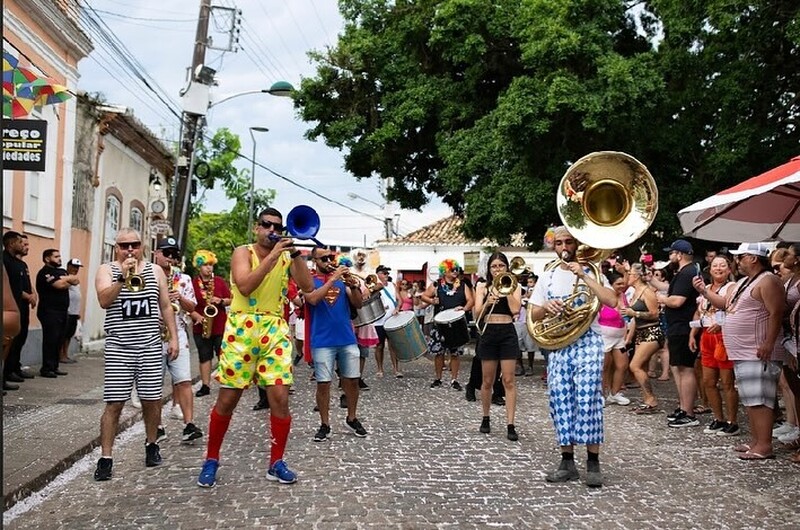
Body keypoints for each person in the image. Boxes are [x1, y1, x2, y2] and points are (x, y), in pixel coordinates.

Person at [197, 208, 313, 488]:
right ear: (256, 228)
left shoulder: (286, 255)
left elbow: (308, 286)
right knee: (228, 399)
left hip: (274, 328)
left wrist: (295, 254)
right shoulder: (242, 252)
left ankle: (276, 462)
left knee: (280, 398)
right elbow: (246, 285)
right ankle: (211, 459)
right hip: (242, 329)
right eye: (267, 225)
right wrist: (274, 256)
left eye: (277, 226)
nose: (272, 230)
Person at [528, 226, 617, 488]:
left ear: (576, 244)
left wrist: (585, 277)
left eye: (569, 242)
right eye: (559, 243)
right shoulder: (548, 276)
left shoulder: (593, 271)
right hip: (559, 345)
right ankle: (567, 461)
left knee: (589, 397)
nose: (564, 246)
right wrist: (545, 308)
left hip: (588, 341)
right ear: (553, 246)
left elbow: (611, 300)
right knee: (560, 399)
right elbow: (533, 315)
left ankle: (593, 462)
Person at [94, 228, 178, 481]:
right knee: (114, 404)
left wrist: (173, 337)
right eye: (124, 246)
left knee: (152, 400)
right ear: (116, 248)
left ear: (142, 246)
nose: (130, 250)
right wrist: (122, 277)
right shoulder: (106, 270)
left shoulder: (155, 271)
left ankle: (152, 444)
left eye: (135, 245)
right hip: (119, 347)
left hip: (150, 345)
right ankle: (106, 457)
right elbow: (103, 301)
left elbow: (165, 305)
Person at [697, 242, 784, 459]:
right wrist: (703, 291)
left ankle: (764, 445)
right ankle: (756, 441)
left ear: (753, 258)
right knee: (750, 398)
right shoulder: (745, 282)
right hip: (743, 351)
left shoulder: (768, 280)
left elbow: (776, 313)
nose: (737, 261)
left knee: (760, 399)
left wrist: (768, 343)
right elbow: (725, 303)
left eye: (741, 256)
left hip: (757, 349)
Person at [306, 246, 368, 442]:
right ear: (314, 261)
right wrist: (333, 279)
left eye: (329, 257)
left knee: (352, 380)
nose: (328, 261)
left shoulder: (342, 280)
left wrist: (354, 285)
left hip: (347, 338)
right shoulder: (309, 280)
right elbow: (313, 299)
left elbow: (358, 304)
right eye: (323, 259)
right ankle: (324, 424)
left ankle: (352, 417)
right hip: (322, 340)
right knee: (323, 384)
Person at [153, 237, 203, 443]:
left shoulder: (183, 279)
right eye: (166, 253)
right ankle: (156, 426)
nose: (170, 258)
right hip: (154, 333)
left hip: (179, 332)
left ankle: (189, 424)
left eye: (174, 254)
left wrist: (179, 298)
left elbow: (192, 307)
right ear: (156, 253)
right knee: (154, 384)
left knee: (184, 380)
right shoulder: (148, 275)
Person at [473, 252, 523, 441]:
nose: (497, 270)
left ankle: (510, 423)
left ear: (507, 267)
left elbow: (516, 309)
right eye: (494, 266)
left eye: (501, 266)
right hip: (489, 331)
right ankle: (486, 417)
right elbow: (477, 314)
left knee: (509, 380)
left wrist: (506, 290)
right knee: (487, 380)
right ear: (489, 269)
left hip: (507, 332)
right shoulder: (482, 286)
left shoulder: (514, 284)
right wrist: (487, 301)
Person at [689, 255, 739, 436]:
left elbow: (728, 306)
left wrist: (723, 322)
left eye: (723, 266)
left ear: (729, 269)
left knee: (727, 382)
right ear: (709, 270)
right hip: (706, 336)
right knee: (708, 381)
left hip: (723, 337)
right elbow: (698, 312)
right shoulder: (706, 288)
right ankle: (718, 418)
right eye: (715, 266)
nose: (719, 268)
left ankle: (732, 421)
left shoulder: (731, 287)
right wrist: (692, 334)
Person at [656, 240, 701, 428]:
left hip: (683, 326)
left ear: (680, 255)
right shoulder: (686, 272)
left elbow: (677, 301)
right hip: (680, 326)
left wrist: (662, 299)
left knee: (685, 369)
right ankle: (684, 408)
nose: (670, 257)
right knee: (681, 368)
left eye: (671, 254)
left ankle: (689, 413)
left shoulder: (686, 272)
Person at [420, 259, 474, 390]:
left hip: (456, 323)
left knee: (455, 353)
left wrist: (464, 308)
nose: (455, 272)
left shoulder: (462, 285)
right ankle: (438, 378)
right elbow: (424, 296)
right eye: (452, 270)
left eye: (456, 269)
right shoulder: (437, 284)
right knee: (439, 353)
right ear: (445, 271)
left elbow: (471, 300)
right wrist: (432, 301)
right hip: (439, 323)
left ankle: (454, 380)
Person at [190, 249, 232, 398]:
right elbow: (188, 305)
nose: (209, 268)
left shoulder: (219, 282)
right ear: (199, 266)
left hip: (220, 325)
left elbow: (231, 299)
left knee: (223, 355)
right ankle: (205, 385)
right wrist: (195, 315)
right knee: (204, 356)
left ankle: (226, 383)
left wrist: (220, 301)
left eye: (211, 265)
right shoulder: (193, 283)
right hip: (200, 325)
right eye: (205, 265)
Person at [625, 263, 665, 414]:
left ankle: (651, 399)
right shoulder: (635, 291)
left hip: (652, 331)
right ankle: (647, 401)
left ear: (635, 276)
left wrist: (634, 313)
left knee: (634, 366)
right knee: (642, 367)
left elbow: (654, 314)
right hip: (641, 332)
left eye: (629, 274)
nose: (627, 276)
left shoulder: (646, 292)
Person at [35, 249, 79, 378]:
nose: (59, 258)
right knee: (51, 339)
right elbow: (60, 285)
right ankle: (47, 368)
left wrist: (66, 279)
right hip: (49, 311)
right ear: (47, 259)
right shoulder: (45, 273)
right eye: (56, 256)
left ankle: (54, 366)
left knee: (59, 339)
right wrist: (67, 280)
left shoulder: (60, 271)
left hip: (62, 311)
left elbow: (76, 280)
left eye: (60, 256)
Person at [3, 231, 37, 390]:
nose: (22, 245)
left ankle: (14, 368)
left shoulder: (20, 263)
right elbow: (10, 288)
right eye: (20, 243)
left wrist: (33, 294)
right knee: (8, 342)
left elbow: (27, 284)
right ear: (11, 244)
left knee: (19, 339)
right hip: (10, 307)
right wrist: (27, 296)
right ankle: (6, 373)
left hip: (20, 308)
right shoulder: (5, 261)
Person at [599, 271, 631, 406]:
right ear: (611, 285)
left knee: (622, 365)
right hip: (604, 336)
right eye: (618, 284)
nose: (621, 286)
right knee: (605, 367)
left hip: (620, 336)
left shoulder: (624, 296)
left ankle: (614, 393)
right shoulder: (604, 298)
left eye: (623, 283)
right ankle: (601, 394)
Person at [373, 265, 401, 377]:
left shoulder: (392, 285)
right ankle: (380, 369)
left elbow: (400, 300)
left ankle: (396, 369)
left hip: (391, 319)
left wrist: (398, 308)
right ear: (378, 274)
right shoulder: (373, 286)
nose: (386, 275)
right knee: (379, 346)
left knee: (393, 345)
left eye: (387, 273)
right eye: (384, 273)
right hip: (379, 320)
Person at [59, 258, 83, 364]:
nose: (76, 269)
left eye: (77, 267)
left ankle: (65, 354)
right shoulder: (65, 277)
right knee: (63, 334)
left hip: (74, 312)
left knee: (69, 335)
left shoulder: (76, 280)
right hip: (67, 311)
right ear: (68, 266)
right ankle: (60, 355)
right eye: (74, 267)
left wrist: (77, 312)